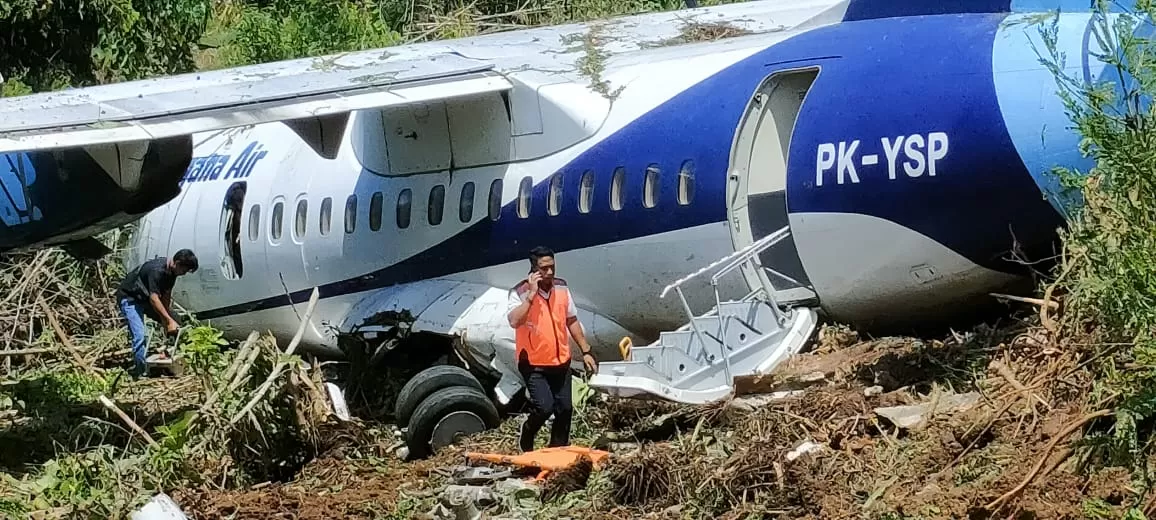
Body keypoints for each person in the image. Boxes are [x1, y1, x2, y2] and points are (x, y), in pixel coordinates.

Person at [507, 246, 598, 452]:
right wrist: (531, 295)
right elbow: (514, 321)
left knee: (565, 409)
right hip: (533, 363)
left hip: (560, 361)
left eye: (552, 267)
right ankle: (527, 436)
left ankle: (557, 450)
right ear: (534, 270)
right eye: (544, 268)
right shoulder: (520, 292)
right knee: (544, 407)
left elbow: (571, 320)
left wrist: (586, 351)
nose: (549, 272)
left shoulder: (561, 288)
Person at [116, 249, 199, 377]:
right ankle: (141, 372)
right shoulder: (157, 270)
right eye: (184, 270)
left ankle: (169, 353)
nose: (183, 274)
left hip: (144, 298)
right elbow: (154, 299)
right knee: (140, 335)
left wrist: (167, 320)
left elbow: (166, 295)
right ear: (177, 263)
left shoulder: (172, 273)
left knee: (174, 321)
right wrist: (168, 320)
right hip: (130, 298)